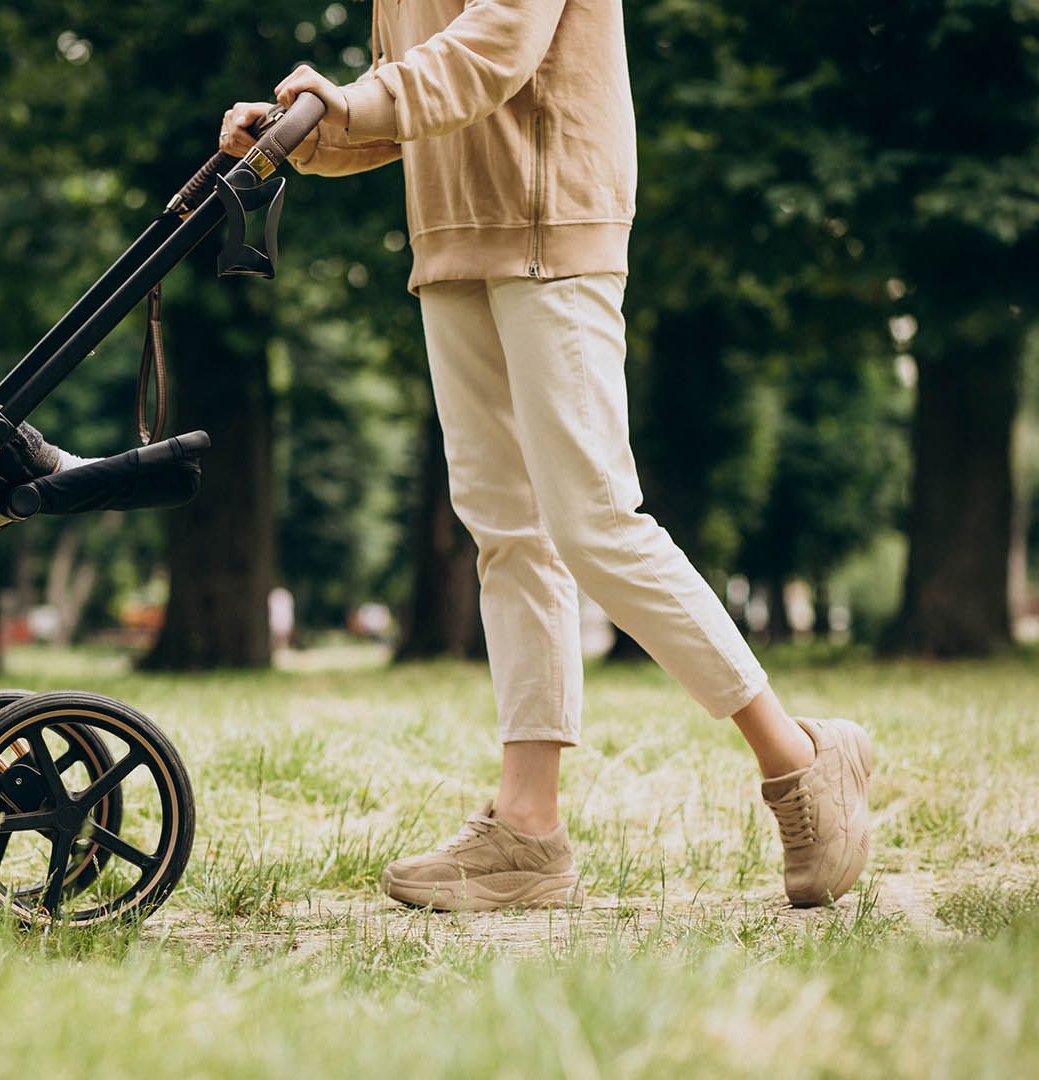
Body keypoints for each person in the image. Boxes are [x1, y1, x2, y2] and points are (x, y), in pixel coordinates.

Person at [222, 0, 873, 911]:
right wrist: (306, 132)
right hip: (450, 240)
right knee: (509, 533)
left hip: (552, 221)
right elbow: (414, 96)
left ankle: (799, 759)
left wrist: (354, 104)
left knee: (596, 520)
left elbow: (498, 47)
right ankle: (527, 834)